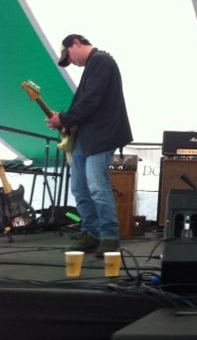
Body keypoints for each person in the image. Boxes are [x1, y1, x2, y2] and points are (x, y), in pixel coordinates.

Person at [46, 34, 132, 258]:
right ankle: (91, 234)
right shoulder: (94, 65)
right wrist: (65, 121)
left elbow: (92, 100)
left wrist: (64, 119)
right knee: (79, 188)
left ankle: (109, 238)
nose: (71, 61)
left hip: (102, 136)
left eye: (69, 56)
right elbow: (87, 102)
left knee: (96, 185)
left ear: (76, 43)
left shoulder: (101, 61)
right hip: (86, 137)